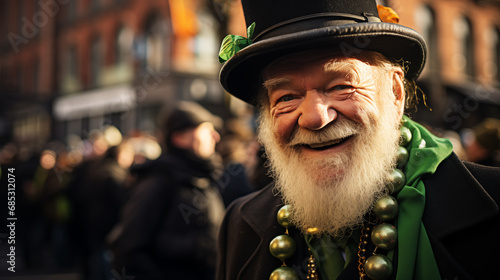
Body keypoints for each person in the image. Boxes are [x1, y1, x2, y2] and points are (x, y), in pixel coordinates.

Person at [216, 0, 500, 280]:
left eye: (341, 86)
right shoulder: (240, 224)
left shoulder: (493, 200)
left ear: (395, 92)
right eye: (287, 97)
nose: (314, 118)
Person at [109, 101, 226, 280]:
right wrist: (197, 246)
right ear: (179, 137)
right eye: (205, 129)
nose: (215, 136)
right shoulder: (158, 182)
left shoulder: (202, 177)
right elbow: (129, 250)